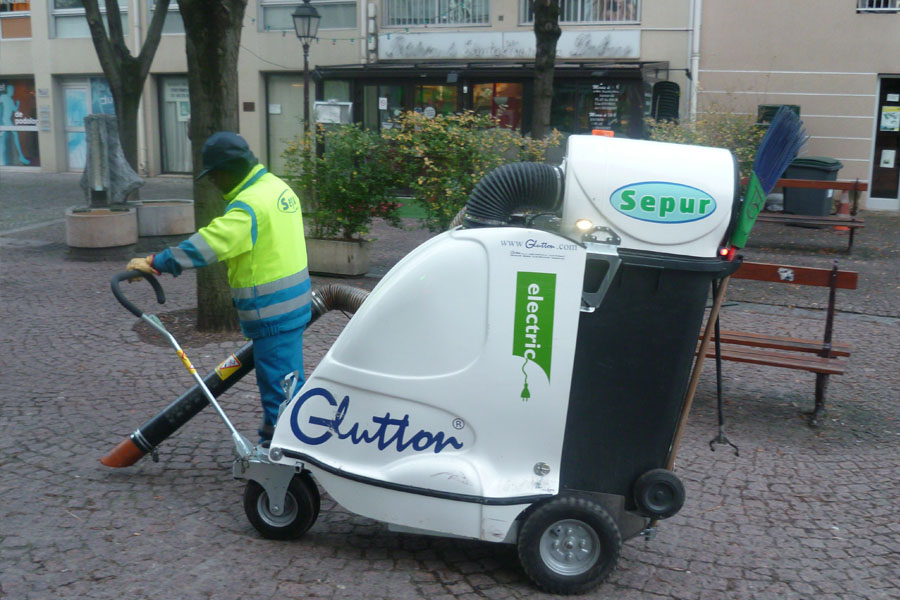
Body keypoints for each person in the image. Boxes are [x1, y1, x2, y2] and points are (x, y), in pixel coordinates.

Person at [126, 131, 310, 444]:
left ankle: (284, 458)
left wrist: (157, 262)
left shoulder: (247, 207)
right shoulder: (277, 188)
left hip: (272, 314)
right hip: (294, 305)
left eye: (213, 176)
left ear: (226, 171)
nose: (212, 183)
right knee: (286, 384)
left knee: (281, 390)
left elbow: (209, 244)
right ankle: (276, 442)